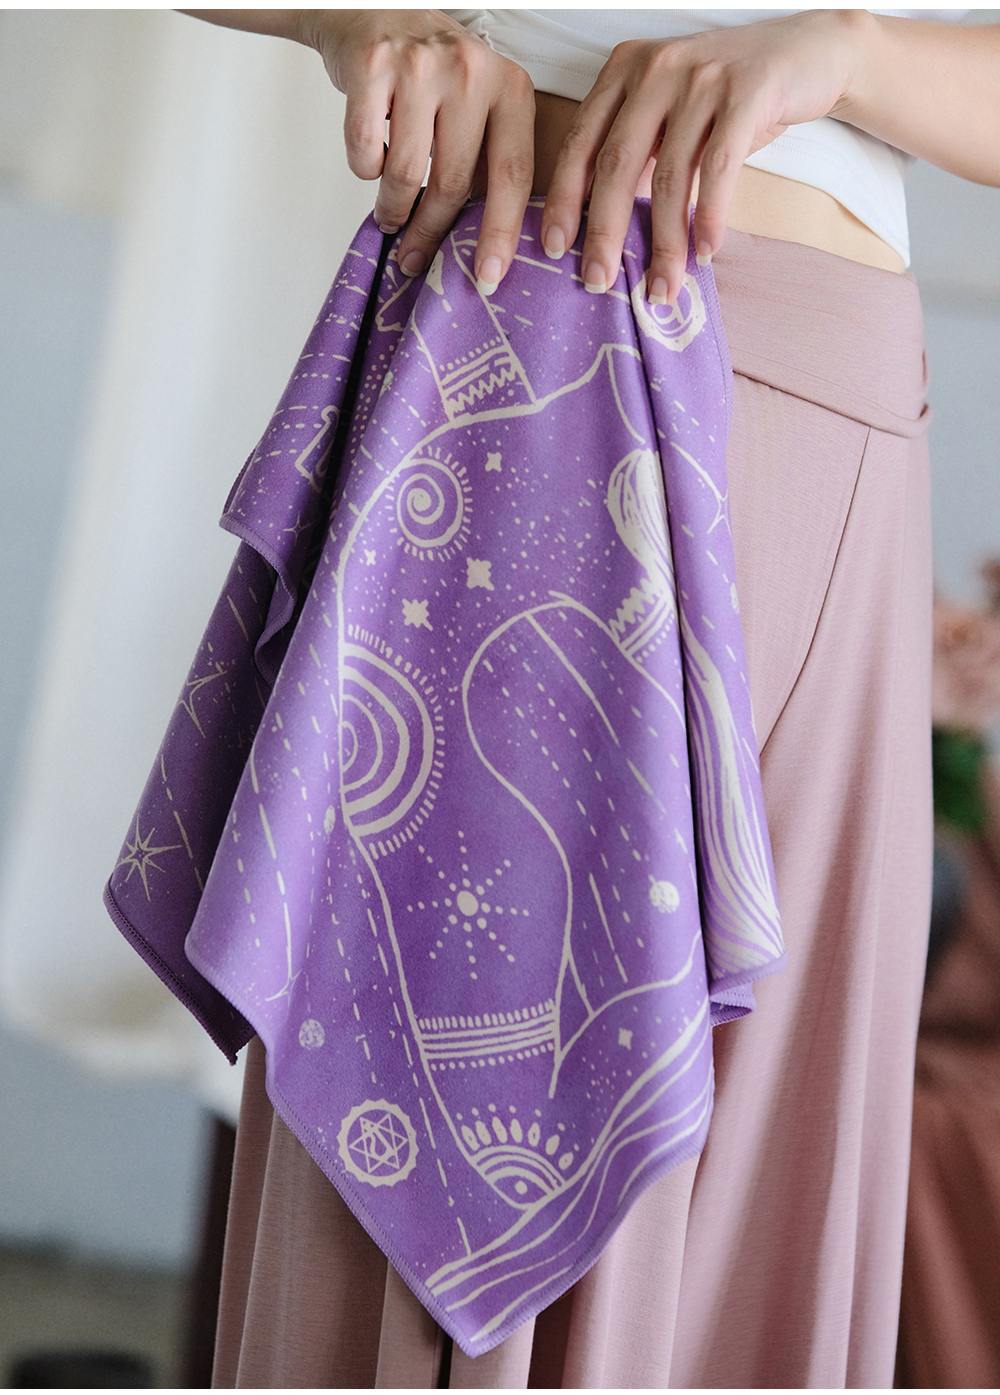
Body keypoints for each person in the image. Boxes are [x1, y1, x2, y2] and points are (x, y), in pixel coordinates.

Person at [166, 9, 1000, 1388]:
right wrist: (361, 19)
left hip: (838, 425)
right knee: (439, 1185)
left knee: (752, 1213)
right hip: (518, 358)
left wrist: (853, 52)